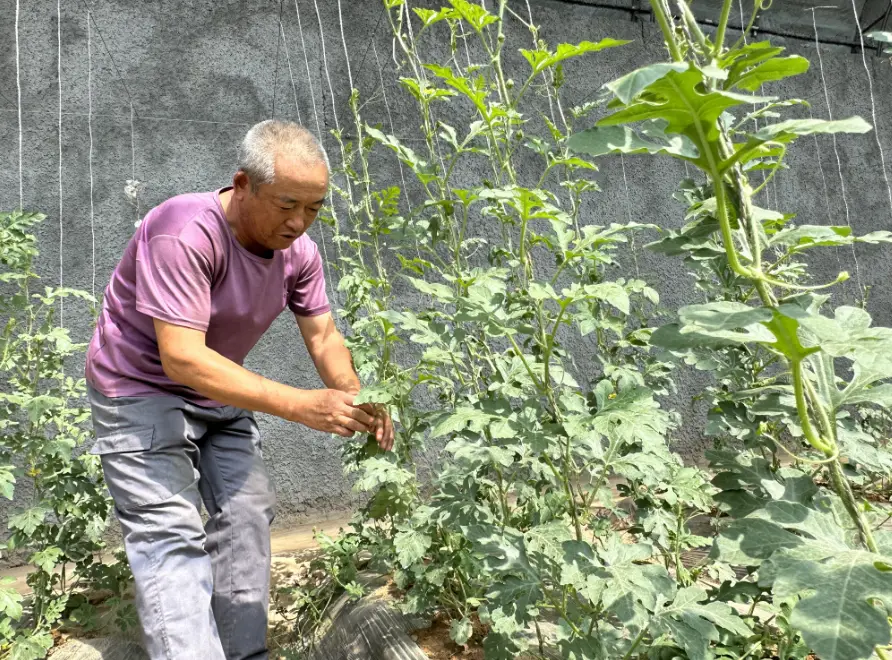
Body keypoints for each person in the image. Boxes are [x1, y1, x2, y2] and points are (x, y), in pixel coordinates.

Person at [84, 119, 393, 660]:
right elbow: (181, 356)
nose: (299, 222)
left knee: (248, 512)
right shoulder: (184, 230)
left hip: (218, 389)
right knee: (169, 535)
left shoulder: (299, 254)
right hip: (138, 390)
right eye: (287, 204)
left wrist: (354, 394)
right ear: (244, 184)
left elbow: (323, 335)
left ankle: (242, 653)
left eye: (314, 208)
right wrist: (300, 404)